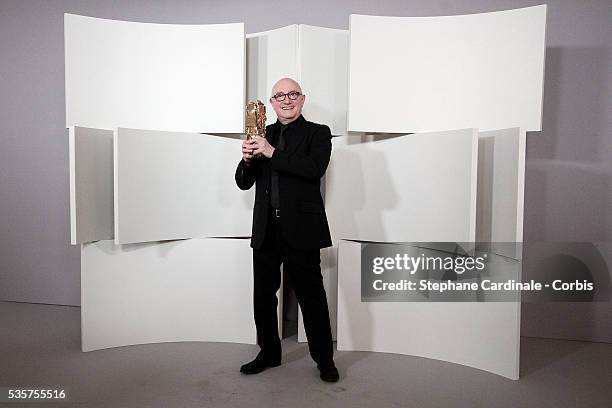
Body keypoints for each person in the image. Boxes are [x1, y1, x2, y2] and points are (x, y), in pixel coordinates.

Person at [235, 78, 339, 383]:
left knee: (312, 297)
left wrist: (271, 152)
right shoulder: (262, 134)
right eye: (279, 96)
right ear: (271, 103)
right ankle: (268, 353)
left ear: (302, 99)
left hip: (302, 229)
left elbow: (313, 169)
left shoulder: (317, 133)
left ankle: (324, 360)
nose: (286, 99)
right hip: (266, 229)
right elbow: (243, 181)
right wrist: (246, 160)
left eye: (292, 94)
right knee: (263, 297)